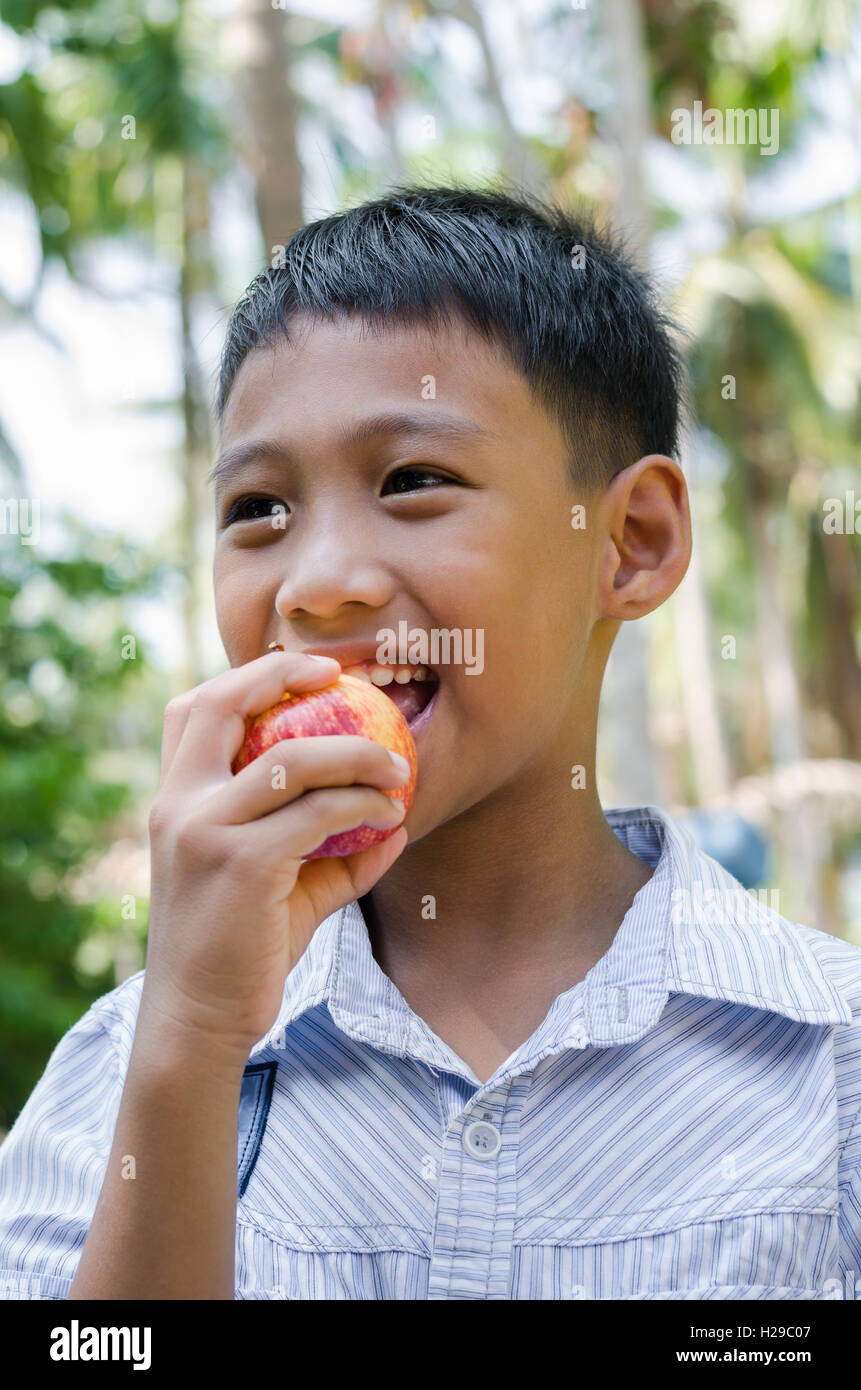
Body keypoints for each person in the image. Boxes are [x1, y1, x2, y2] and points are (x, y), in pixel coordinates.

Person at [1, 185, 859, 1301]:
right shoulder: (130, 1063)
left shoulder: (827, 1059)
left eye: (414, 480)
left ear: (631, 543)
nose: (317, 584)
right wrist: (193, 1037)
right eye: (258, 508)